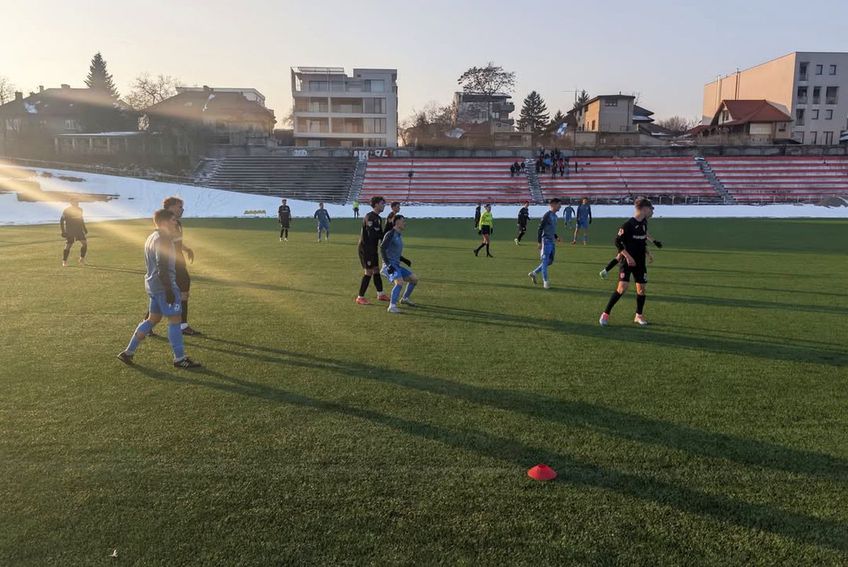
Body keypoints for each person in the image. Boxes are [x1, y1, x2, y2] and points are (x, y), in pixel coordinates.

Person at [117, 209, 201, 368]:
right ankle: (179, 358)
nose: (176, 222)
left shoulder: (151, 237)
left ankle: (128, 352)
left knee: (152, 319)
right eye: (173, 220)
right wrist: (169, 290)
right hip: (164, 286)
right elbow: (162, 266)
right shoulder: (163, 239)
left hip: (152, 285)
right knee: (175, 320)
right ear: (163, 222)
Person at [599, 198, 658, 327]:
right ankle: (605, 313)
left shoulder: (644, 223)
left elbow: (641, 241)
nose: (652, 211)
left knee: (641, 289)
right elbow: (617, 242)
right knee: (622, 288)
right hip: (627, 263)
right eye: (651, 209)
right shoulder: (628, 225)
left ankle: (638, 315)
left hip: (640, 263)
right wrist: (628, 257)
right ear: (644, 209)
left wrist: (648, 253)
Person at [600, 201, 663, 279]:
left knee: (619, 257)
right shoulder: (632, 222)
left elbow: (644, 233)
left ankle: (605, 271)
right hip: (627, 243)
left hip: (631, 244)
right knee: (620, 257)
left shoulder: (643, 221)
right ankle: (606, 271)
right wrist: (653, 243)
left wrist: (654, 241)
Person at [355, 196, 389, 305]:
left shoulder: (378, 218)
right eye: (382, 203)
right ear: (376, 204)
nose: (384, 205)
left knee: (376, 270)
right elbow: (372, 234)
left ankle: (381, 294)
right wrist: (383, 236)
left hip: (373, 248)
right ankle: (360, 297)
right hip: (366, 248)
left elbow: (380, 234)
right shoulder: (369, 217)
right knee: (368, 272)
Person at [380, 215, 417, 313]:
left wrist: (404, 259)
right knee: (399, 282)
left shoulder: (399, 235)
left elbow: (393, 251)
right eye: (403, 221)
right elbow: (382, 248)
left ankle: (405, 298)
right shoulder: (390, 234)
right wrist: (388, 265)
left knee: (414, 279)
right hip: (389, 266)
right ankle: (392, 306)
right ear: (397, 222)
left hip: (396, 265)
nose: (405, 223)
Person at [528, 198, 562, 289]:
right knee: (545, 260)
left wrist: (556, 237)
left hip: (552, 241)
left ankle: (534, 273)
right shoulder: (547, 215)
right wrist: (539, 242)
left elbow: (551, 229)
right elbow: (540, 228)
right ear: (553, 205)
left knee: (549, 261)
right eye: (559, 204)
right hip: (545, 241)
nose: (560, 206)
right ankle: (545, 282)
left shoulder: (555, 216)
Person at [60, 200, 87, 267]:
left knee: (85, 243)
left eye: (78, 202)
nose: (77, 203)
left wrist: (84, 228)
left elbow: (81, 219)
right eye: (76, 202)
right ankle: (64, 261)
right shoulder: (67, 210)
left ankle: (81, 259)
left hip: (79, 230)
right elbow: (61, 220)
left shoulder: (80, 210)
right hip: (70, 230)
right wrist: (63, 231)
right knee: (68, 245)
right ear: (71, 203)